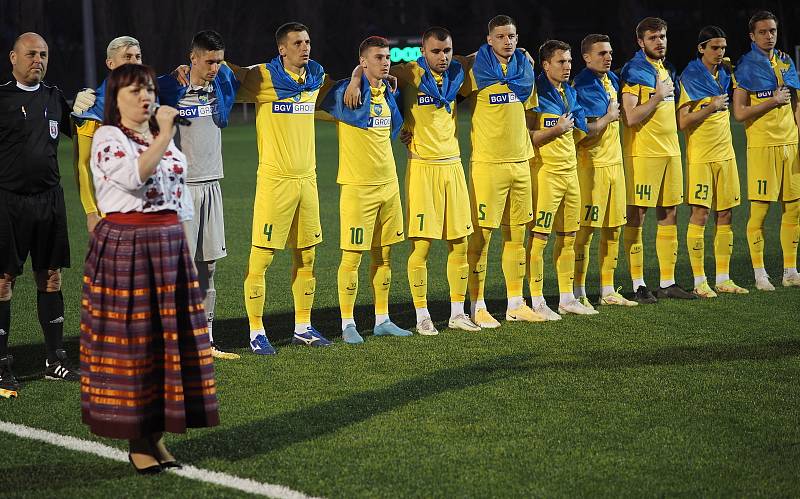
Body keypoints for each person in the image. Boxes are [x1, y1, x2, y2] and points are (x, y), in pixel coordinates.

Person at [80, 63, 218, 474]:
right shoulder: (109, 136)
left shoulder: (156, 136)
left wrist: (181, 240)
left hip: (167, 246)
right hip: (130, 246)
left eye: (149, 90)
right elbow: (134, 178)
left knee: (165, 346)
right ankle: (137, 440)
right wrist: (166, 135)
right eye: (135, 91)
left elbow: (176, 190)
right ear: (115, 99)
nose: (145, 97)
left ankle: (155, 436)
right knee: (134, 347)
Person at [344, 27, 480, 335]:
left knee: (459, 243)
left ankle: (458, 312)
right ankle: (422, 315)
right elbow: (368, 65)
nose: (442, 57)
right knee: (422, 247)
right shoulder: (407, 73)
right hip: (422, 168)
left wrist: (522, 50)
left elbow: (483, 54)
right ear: (423, 51)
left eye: (447, 51)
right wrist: (354, 78)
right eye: (435, 51)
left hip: (453, 165)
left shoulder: (457, 70)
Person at [231, 22, 333, 353]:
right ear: (282, 49)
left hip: (308, 180)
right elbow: (224, 74)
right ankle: (256, 331)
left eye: (307, 41)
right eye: (297, 43)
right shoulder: (262, 77)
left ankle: (303, 326)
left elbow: (337, 95)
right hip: (275, 182)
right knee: (261, 258)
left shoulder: (315, 77)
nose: (305, 47)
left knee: (307, 257)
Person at [0, 32, 79, 392]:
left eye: (44, 54)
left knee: (51, 277)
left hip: (49, 201)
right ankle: (1, 362)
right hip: (8, 202)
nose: (38, 60)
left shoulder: (54, 97)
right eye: (31, 53)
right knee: (3, 281)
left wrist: (89, 107)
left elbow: (82, 132)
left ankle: (55, 358)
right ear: (13, 57)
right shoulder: (1, 98)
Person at [321, 36, 412, 343]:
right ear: (363, 61)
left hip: (388, 186)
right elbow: (321, 88)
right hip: (358, 188)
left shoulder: (388, 93)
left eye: (387, 57)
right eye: (377, 57)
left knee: (385, 256)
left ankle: (382, 319)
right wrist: (355, 78)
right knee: (352, 257)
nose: (385, 62)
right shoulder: (346, 94)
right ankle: (348, 323)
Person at [157, 30, 241, 359]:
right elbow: (133, 87)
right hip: (181, 189)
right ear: (192, 58)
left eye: (219, 61)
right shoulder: (169, 86)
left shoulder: (221, 82)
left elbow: (237, 72)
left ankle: (206, 339)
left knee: (209, 266)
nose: (215, 67)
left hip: (212, 184)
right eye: (209, 61)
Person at [457, 15, 539, 327]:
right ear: (489, 39)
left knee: (517, 236)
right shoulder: (475, 69)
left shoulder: (525, 68)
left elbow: (529, 112)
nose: (508, 42)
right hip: (488, 165)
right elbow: (445, 99)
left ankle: (516, 304)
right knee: (481, 239)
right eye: (501, 36)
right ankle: (477, 306)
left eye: (512, 36)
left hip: (520, 162)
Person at [620, 17, 696, 303]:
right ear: (641, 42)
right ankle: (639, 284)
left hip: (670, 152)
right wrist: (657, 97)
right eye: (652, 38)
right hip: (644, 154)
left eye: (662, 36)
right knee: (637, 216)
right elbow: (630, 117)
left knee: (669, 214)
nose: (659, 42)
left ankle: (667, 282)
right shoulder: (635, 70)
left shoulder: (667, 68)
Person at [526, 40, 597, 318]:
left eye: (569, 61)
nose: (568, 67)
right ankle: (538, 300)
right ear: (545, 65)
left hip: (570, 174)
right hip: (546, 174)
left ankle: (566, 298)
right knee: (539, 237)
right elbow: (527, 135)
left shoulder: (569, 92)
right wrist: (556, 130)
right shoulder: (535, 93)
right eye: (561, 62)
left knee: (569, 236)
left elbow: (580, 128)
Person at [677, 26, 748, 297]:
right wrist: (711, 107)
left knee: (726, 213)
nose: (719, 53)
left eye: (723, 48)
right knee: (701, 214)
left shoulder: (725, 74)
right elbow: (682, 121)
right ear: (701, 48)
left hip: (726, 155)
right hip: (701, 157)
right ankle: (699, 280)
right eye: (714, 48)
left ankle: (723, 278)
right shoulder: (690, 76)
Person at [732, 10, 800, 290]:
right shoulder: (745, 66)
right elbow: (738, 112)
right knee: (759, 212)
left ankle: (790, 270)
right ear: (752, 35)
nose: (769, 36)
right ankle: (760, 274)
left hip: (790, 145)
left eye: (772, 31)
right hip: (762, 147)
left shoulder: (785, 61)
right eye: (762, 32)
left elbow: (796, 102)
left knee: (794, 209)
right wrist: (771, 101)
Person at [572, 34, 638, 307]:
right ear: (587, 57)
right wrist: (609, 117)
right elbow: (582, 133)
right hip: (592, 167)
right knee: (586, 231)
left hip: (615, 166)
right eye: (601, 53)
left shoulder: (610, 80)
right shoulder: (583, 85)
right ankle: (577, 291)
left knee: (614, 229)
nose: (608, 57)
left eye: (609, 53)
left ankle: (608, 290)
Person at [72, 36, 143, 233]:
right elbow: (83, 165)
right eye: (127, 57)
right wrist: (91, 212)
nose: (134, 62)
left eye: (138, 57)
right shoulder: (92, 109)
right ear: (111, 63)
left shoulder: (149, 100)